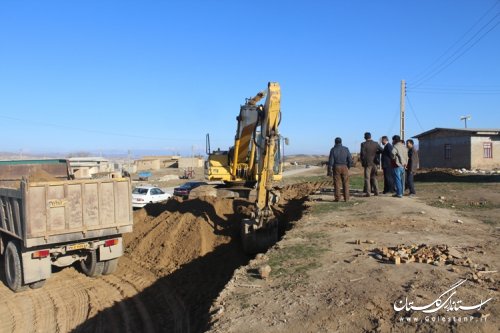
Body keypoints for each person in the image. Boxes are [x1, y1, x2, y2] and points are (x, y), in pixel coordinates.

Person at [328, 137, 353, 202]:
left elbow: (331, 161)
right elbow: (350, 159)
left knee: (337, 183)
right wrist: (349, 166)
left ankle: (337, 198)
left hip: (336, 167)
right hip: (344, 167)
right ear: (341, 142)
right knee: (346, 183)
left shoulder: (333, 150)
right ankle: (346, 198)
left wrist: (329, 170)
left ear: (335, 142)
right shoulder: (346, 149)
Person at [360, 132, 383, 197]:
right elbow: (382, 150)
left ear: (365, 137)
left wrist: (363, 162)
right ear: (370, 136)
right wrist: (376, 153)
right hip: (374, 163)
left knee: (367, 178)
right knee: (374, 177)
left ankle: (368, 193)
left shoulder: (363, 144)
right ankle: (376, 192)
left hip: (367, 164)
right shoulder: (376, 143)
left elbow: (362, 154)